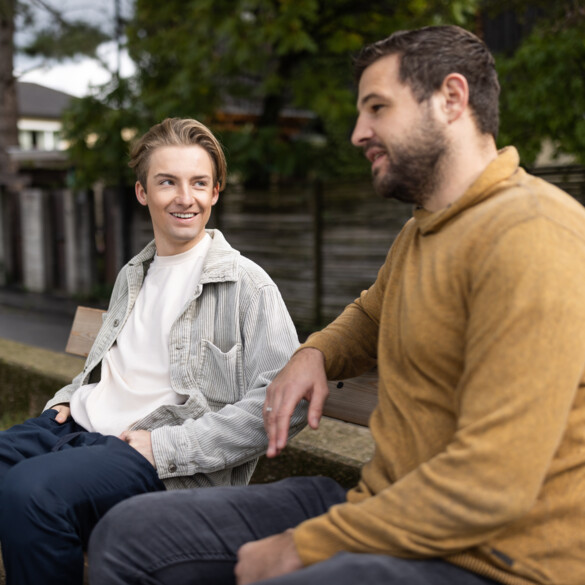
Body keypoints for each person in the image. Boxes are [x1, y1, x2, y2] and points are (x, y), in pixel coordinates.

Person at [88, 25, 585, 585]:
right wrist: (315, 352)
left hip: (489, 558)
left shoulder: (534, 237)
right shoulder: (425, 232)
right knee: (129, 535)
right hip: (383, 509)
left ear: (451, 99)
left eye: (376, 108)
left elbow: (492, 483)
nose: (357, 133)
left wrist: (305, 547)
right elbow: (372, 314)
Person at [0, 117, 306, 585]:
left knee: (31, 493)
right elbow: (118, 366)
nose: (186, 198)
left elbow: (290, 402)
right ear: (143, 192)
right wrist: (69, 394)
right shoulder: (133, 273)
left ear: (216, 192)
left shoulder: (248, 285)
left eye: (199, 183)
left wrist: (167, 446)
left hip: (148, 455)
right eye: (168, 182)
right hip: (73, 428)